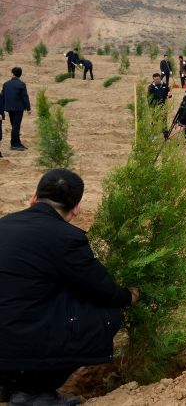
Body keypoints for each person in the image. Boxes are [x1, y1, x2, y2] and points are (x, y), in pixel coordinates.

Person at [0, 169, 139, 406]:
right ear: (76, 208)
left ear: (34, 197)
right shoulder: (66, 237)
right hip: (19, 340)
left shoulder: (4, 224)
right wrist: (130, 296)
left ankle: (9, 385)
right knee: (106, 314)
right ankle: (35, 391)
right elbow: (103, 290)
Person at [1, 67, 32, 151]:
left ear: (12, 73)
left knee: (14, 125)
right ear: (20, 74)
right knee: (16, 126)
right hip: (18, 108)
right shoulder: (21, 84)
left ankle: (16, 142)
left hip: (9, 108)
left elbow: (2, 96)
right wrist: (28, 108)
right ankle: (15, 144)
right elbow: (25, 97)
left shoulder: (6, 84)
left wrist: (2, 108)